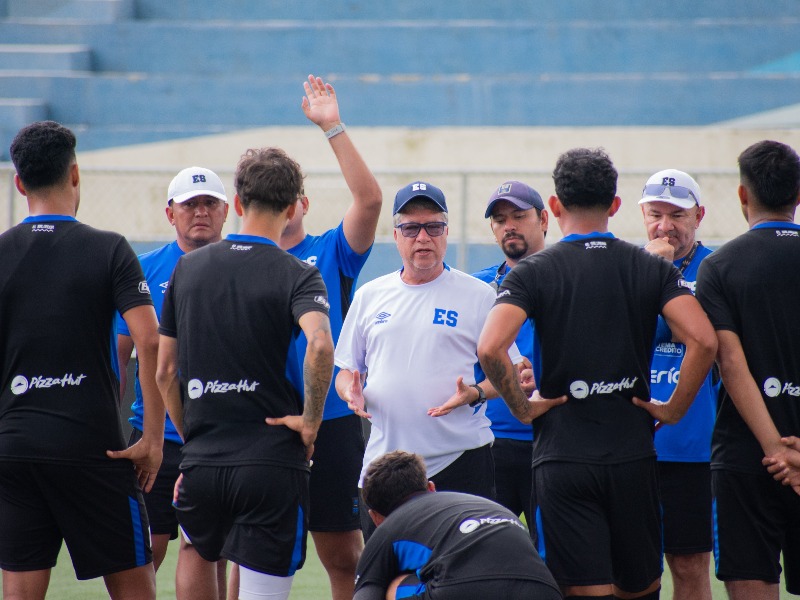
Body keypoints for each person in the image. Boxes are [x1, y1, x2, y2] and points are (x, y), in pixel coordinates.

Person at [477, 147, 717, 600]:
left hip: (564, 459)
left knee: (584, 590)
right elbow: (704, 341)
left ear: (553, 207)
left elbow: (490, 347)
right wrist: (674, 408)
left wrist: (523, 408)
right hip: (632, 455)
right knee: (640, 589)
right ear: (616, 205)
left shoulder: (533, 271)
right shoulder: (648, 266)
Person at [156, 146, 335, 600]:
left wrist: (193, 439)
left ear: (236, 204)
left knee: (197, 558)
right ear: (293, 207)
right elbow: (319, 343)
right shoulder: (298, 272)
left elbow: (164, 372)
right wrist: (311, 420)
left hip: (202, 463)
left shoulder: (187, 268)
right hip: (270, 463)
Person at [0, 120, 163, 599]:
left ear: (19, 183)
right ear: (75, 175)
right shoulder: (108, 248)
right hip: (94, 449)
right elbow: (149, 340)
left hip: (15, 446)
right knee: (135, 590)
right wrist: (152, 438)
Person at [334, 181, 523, 540]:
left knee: (465, 574)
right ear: (396, 235)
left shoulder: (480, 296)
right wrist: (350, 392)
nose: (423, 237)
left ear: (446, 232)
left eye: (433, 227)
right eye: (411, 228)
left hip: (461, 460)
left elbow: (509, 373)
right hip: (386, 465)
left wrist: (474, 393)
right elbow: (347, 370)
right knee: (387, 573)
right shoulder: (370, 296)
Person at [116, 166, 229, 593]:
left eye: (208, 204)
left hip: (220, 435)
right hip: (156, 437)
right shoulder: (140, 271)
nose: (199, 212)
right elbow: (118, 355)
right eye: (189, 205)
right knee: (148, 549)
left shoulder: (245, 265)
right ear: (170, 213)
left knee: (210, 549)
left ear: (225, 211)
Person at [696, 140, 800, 600]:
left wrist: (776, 449)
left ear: (742, 196)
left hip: (746, 456)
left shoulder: (719, 265)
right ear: (798, 194)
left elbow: (731, 362)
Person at [639, 169, 716, 600]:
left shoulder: (717, 268)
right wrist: (651, 270)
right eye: (655, 214)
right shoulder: (629, 267)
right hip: (633, 443)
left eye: (677, 215)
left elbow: (708, 341)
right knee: (633, 567)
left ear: (699, 215)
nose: (665, 226)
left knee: (688, 567)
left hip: (691, 443)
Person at [353, 450, 562, 600]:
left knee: (394, 584)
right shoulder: (480, 503)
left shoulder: (389, 528)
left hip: (460, 590)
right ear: (431, 488)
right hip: (543, 588)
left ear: (375, 517)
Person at [472, 180, 548, 526]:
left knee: (557, 561)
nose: (509, 226)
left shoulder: (569, 277)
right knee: (480, 556)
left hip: (548, 441)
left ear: (544, 219)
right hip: (489, 443)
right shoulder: (475, 287)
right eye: (500, 220)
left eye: (519, 215)